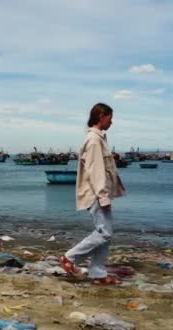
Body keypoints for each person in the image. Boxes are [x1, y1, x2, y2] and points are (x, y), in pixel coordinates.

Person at [60, 103, 126, 285]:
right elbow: (96, 171)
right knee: (105, 233)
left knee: (104, 232)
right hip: (96, 194)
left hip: (97, 193)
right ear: (101, 116)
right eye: (110, 117)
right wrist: (103, 196)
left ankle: (98, 274)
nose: (111, 122)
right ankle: (70, 258)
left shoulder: (98, 139)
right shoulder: (94, 140)